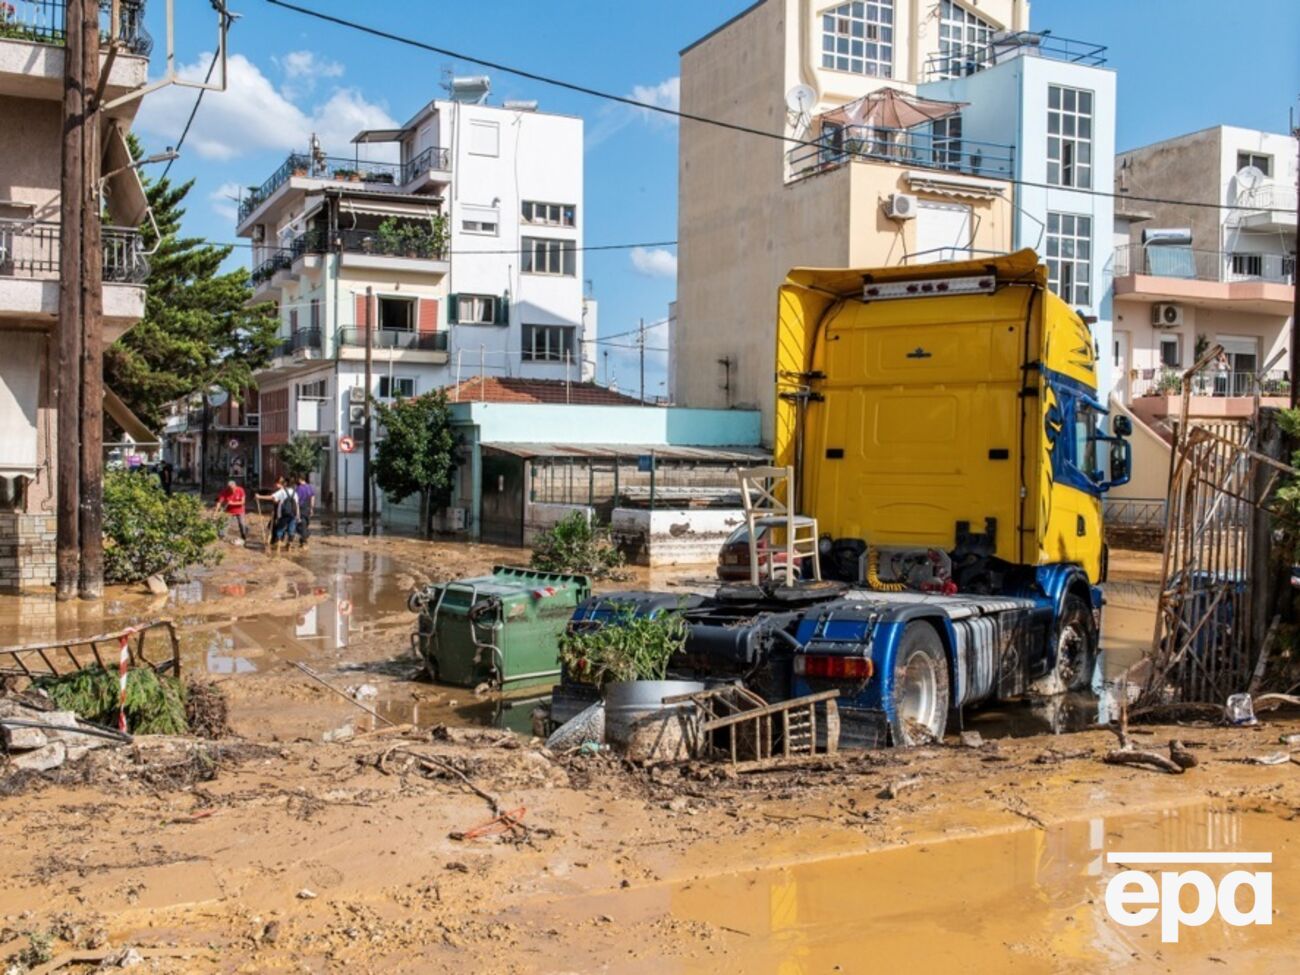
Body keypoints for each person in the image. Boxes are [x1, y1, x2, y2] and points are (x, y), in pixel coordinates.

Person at [256, 477, 299, 553]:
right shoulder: (294, 492)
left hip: (283, 514)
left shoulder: (282, 491)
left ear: (285, 484)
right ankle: (289, 546)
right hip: (293, 515)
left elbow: (272, 497)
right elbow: (297, 504)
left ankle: (278, 547)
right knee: (291, 530)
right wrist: (298, 516)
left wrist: (260, 497)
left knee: (280, 529)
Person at [214, 480, 248, 545]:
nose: (232, 490)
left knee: (242, 524)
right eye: (230, 489)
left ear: (235, 486)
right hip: (229, 511)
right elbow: (219, 502)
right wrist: (215, 512)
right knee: (225, 524)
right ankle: (222, 537)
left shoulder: (240, 490)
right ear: (228, 488)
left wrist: (232, 503)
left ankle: (244, 537)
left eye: (233, 488)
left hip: (239, 510)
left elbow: (243, 502)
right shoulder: (225, 491)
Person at [294, 475, 317, 548]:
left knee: (300, 524)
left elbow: (296, 500)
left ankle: (304, 539)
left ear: (300, 479)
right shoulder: (310, 487)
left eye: (298, 479)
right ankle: (303, 540)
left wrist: (296, 510)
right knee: (306, 523)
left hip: (301, 507)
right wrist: (311, 508)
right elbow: (312, 497)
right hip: (307, 507)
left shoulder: (298, 488)